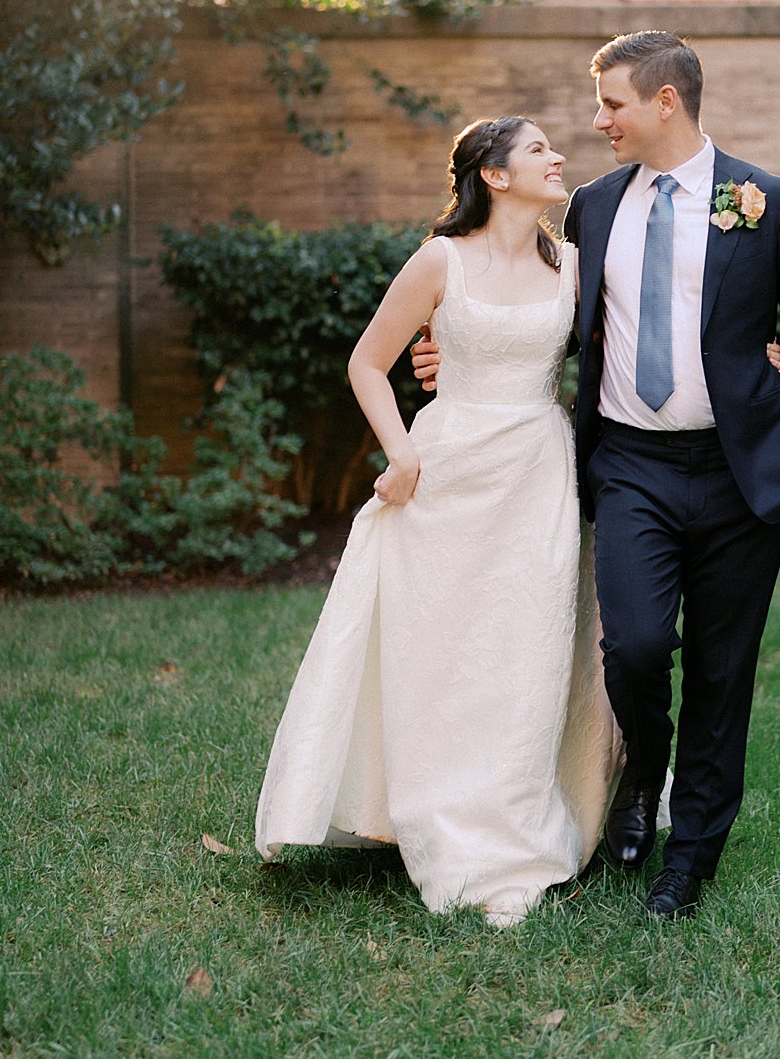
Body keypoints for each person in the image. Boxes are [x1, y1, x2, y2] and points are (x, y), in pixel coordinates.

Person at [416, 30, 780, 921]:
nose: (597, 120)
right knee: (637, 646)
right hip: (632, 463)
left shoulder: (767, 200)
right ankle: (642, 773)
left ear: (664, 103)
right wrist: (453, 354)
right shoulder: (594, 209)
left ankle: (689, 860)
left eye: (610, 103)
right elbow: (550, 316)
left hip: (739, 473)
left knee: (724, 670)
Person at [256, 116, 621, 927]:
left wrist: (755, 354)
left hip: (536, 473)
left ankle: (515, 830)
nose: (558, 157)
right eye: (537, 150)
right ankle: (436, 820)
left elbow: (639, 340)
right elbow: (367, 363)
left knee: (523, 650)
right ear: (493, 175)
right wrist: (400, 452)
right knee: (443, 654)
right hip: (447, 471)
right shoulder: (439, 260)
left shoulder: (572, 265)